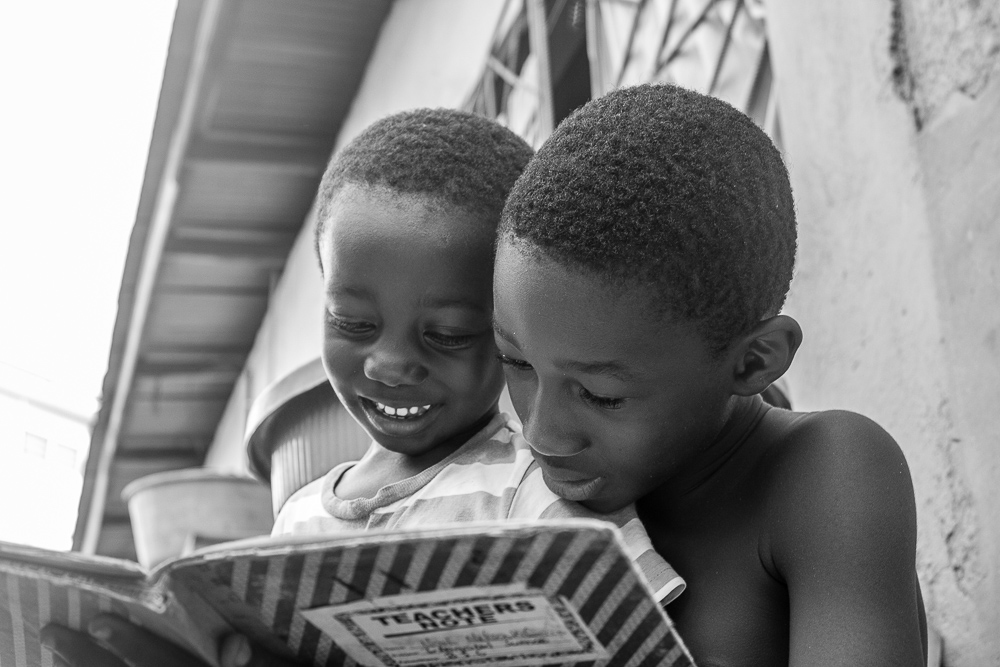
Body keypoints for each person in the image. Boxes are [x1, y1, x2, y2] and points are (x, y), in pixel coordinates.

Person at [42, 107, 681, 667]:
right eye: (353, 324)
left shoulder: (541, 487)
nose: (390, 365)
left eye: (450, 334)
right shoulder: (299, 515)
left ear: (512, 326)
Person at [491, 83, 927, 666]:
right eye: (516, 362)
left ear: (752, 361)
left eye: (601, 395)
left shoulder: (822, 474)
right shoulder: (514, 495)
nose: (541, 434)